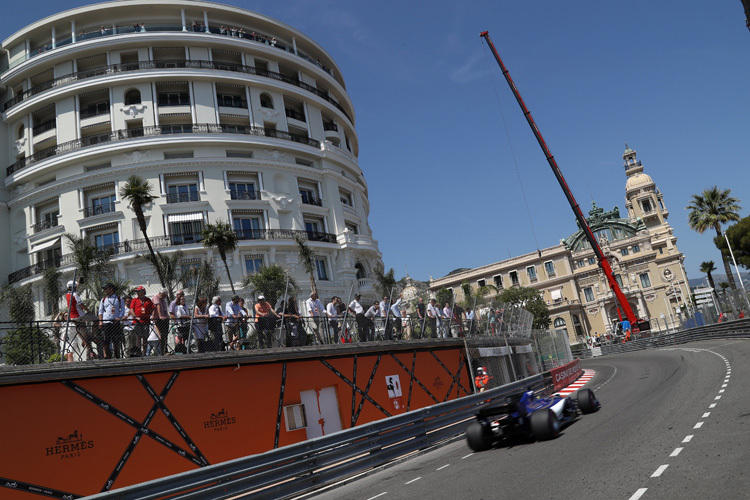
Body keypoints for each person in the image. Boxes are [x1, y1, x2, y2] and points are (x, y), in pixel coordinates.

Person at [98, 282, 124, 359]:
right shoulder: (103, 299)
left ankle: (117, 356)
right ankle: (107, 357)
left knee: (116, 341)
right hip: (106, 322)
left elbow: (122, 309)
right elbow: (100, 311)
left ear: (111, 289)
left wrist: (119, 317)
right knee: (106, 341)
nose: (105, 290)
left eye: (106, 289)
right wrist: (100, 321)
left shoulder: (119, 298)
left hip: (115, 322)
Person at [130, 286, 154, 356]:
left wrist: (152, 315)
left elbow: (153, 308)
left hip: (146, 321)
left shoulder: (148, 300)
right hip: (137, 322)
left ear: (143, 292)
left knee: (145, 338)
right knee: (138, 337)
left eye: (138, 291)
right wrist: (135, 316)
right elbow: (131, 309)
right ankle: (138, 352)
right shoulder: (135, 300)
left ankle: (144, 353)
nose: (137, 293)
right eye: (137, 292)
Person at [152, 290, 170, 355]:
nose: (164, 297)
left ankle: (165, 350)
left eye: (165, 296)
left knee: (165, 335)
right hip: (159, 319)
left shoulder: (163, 300)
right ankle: (163, 351)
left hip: (165, 318)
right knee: (162, 335)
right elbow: (158, 306)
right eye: (164, 295)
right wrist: (160, 316)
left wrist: (167, 316)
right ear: (160, 293)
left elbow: (165, 309)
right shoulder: (156, 297)